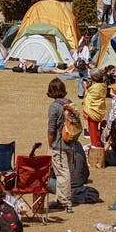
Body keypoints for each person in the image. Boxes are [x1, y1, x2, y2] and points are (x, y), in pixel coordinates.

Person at [45, 78, 74, 213]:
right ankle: (62, 199)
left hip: (59, 145)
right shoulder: (69, 103)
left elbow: (51, 129)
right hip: (70, 143)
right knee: (64, 172)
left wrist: (50, 144)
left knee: (62, 174)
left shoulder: (55, 107)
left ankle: (64, 201)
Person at [82, 70, 109, 148]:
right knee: (97, 130)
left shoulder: (94, 87)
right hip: (99, 109)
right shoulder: (103, 86)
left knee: (93, 130)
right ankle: (97, 143)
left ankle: (95, 146)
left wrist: (86, 88)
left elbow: (88, 96)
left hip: (92, 111)